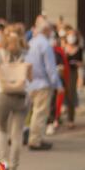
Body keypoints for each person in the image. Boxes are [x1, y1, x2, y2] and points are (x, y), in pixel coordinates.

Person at [0, 25, 32, 170]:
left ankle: (4, 162)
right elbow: (30, 78)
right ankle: (14, 169)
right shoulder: (26, 54)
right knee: (17, 133)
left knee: (2, 129)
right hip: (20, 97)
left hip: (2, 95)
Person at [25, 18, 63, 151]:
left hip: (31, 83)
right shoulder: (45, 45)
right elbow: (50, 67)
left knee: (34, 112)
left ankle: (34, 138)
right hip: (42, 83)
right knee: (40, 113)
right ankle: (35, 140)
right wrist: (57, 84)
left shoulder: (32, 42)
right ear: (47, 30)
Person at [64, 29, 83, 129]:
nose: (71, 38)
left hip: (73, 73)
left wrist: (76, 63)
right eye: (70, 35)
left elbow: (81, 62)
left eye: (73, 36)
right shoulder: (63, 48)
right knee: (62, 95)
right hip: (63, 73)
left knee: (71, 94)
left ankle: (70, 119)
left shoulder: (79, 49)